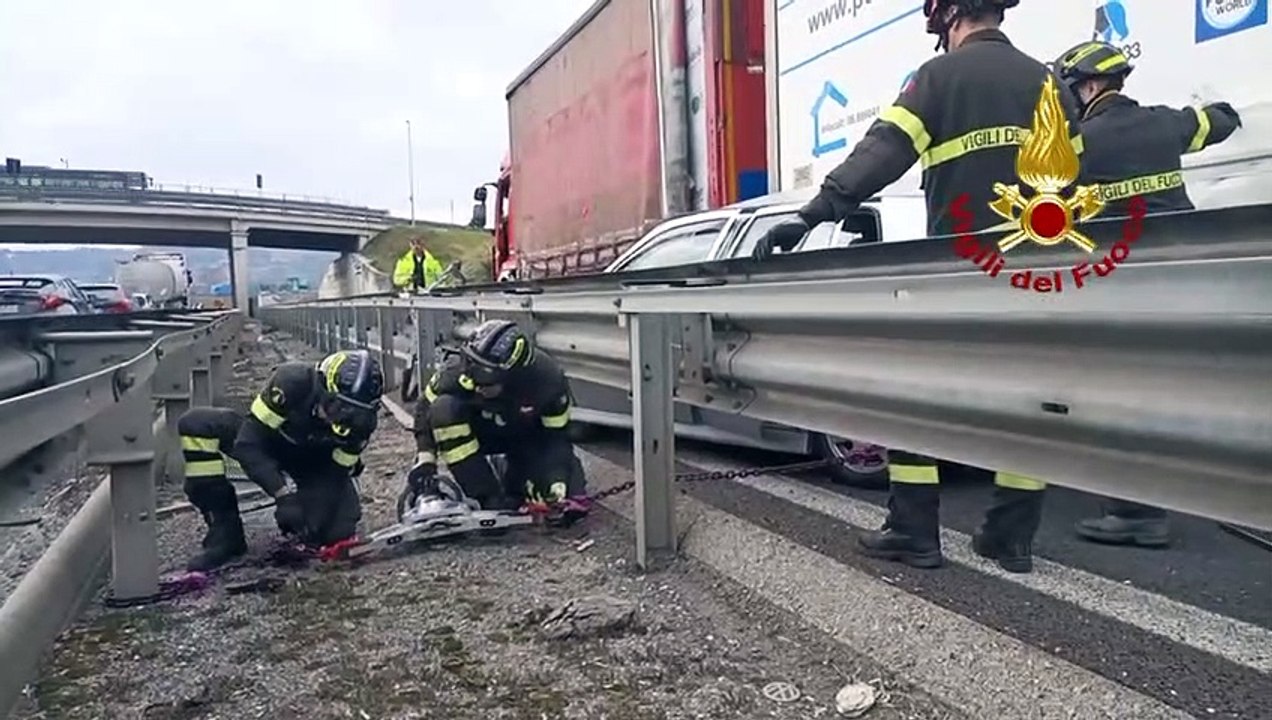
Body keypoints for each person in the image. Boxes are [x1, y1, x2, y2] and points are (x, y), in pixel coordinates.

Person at [752, 0, 1082, 574]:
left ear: (950, 18)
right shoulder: (1047, 80)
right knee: (1027, 400)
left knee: (915, 398)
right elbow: (1078, 176)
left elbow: (883, 151)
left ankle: (914, 530)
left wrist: (814, 213)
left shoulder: (937, 77)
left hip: (956, 272)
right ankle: (1010, 538)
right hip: (1034, 276)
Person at [1051, 39, 1241, 547]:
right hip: (1183, 280)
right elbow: (1219, 121)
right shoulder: (1164, 123)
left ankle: (1135, 513)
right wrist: (1218, 105)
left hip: (1122, 286)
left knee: (1117, 396)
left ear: (1087, 86)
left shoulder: (1076, 144)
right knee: (1166, 389)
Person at [177, 349, 384, 571]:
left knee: (335, 533)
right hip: (270, 443)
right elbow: (249, 444)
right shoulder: (292, 383)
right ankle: (225, 535)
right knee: (197, 424)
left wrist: (311, 521)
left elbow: (335, 474)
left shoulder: (362, 424)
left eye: (354, 414)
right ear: (322, 388)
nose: (342, 420)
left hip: (317, 463)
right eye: (337, 408)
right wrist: (282, 495)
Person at [403, 319, 589, 525]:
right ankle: (485, 494)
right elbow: (424, 409)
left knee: (566, 496)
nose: (474, 382)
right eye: (471, 369)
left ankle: (514, 476)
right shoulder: (458, 371)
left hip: (524, 435)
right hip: (478, 432)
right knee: (444, 409)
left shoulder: (548, 382)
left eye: (484, 378)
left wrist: (557, 479)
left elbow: (556, 437)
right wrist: (426, 457)